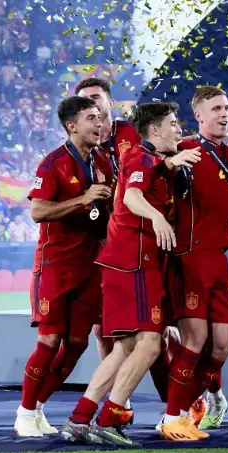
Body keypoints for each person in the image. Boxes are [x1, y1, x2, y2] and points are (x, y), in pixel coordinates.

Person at [59, 102, 200, 446]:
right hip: (134, 263)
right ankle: (109, 418)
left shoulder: (154, 160)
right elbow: (133, 197)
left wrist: (172, 162)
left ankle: (79, 418)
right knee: (151, 344)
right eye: (173, 123)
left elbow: (155, 172)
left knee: (125, 347)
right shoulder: (139, 157)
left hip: (126, 263)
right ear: (155, 130)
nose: (179, 129)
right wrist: (157, 217)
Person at [14, 96, 115, 437]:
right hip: (55, 267)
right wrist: (82, 199)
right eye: (91, 118)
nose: (99, 124)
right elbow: (38, 211)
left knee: (76, 345)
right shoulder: (52, 164)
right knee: (49, 342)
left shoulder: (103, 162)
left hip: (91, 267)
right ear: (72, 126)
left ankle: (38, 408)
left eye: (100, 117)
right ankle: (24, 413)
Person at [159, 85, 228, 439]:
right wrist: (169, 163)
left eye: (227, 108)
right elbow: (149, 171)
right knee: (194, 341)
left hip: (220, 260)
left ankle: (196, 402)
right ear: (199, 116)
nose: (224, 114)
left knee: (221, 345)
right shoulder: (183, 149)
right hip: (189, 259)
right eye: (217, 109)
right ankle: (173, 416)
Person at [74, 78, 143, 366]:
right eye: (84, 100)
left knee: (159, 327)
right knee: (102, 328)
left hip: (140, 238)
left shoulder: (135, 132)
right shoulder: (77, 147)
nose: (91, 104)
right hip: (102, 242)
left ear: (111, 102)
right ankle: (116, 393)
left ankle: (178, 389)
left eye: (96, 97)